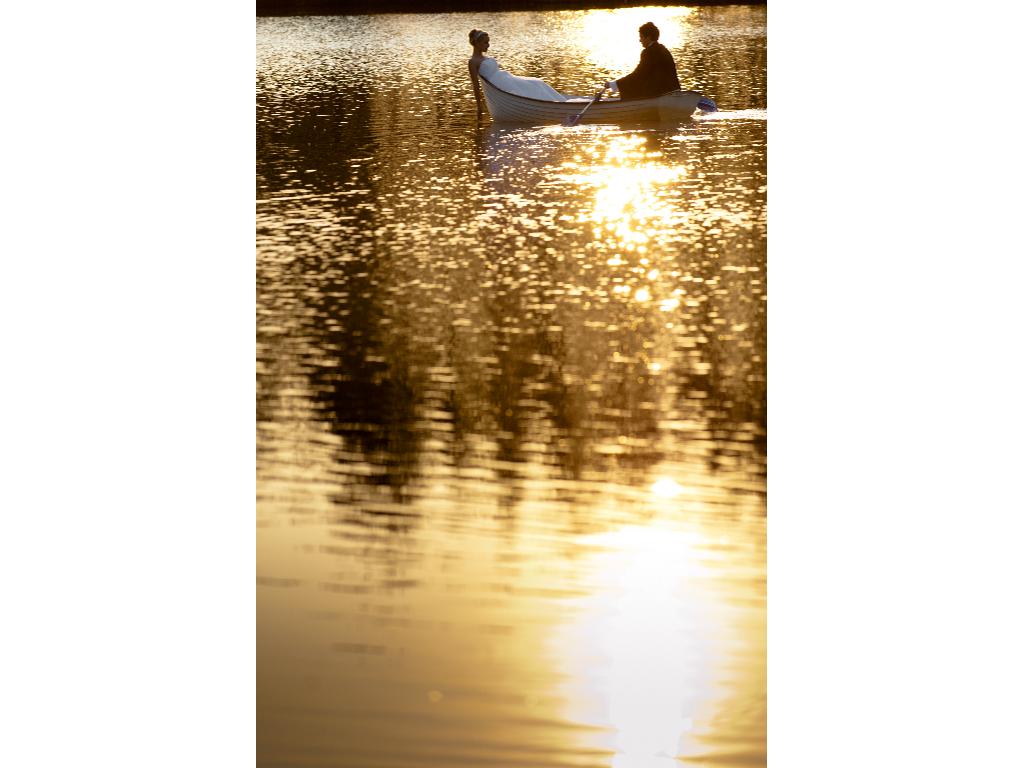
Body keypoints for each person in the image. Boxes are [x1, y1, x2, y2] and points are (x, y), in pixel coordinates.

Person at [468, 28, 568, 113]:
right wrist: (479, 105)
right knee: (533, 87)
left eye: (488, 42)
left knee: (537, 83)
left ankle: (561, 103)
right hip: (501, 85)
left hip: (507, 78)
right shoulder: (473, 62)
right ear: (477, 43)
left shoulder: (485, 57)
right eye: (485, 42)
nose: (488, 45)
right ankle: (553, 106)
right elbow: (475, 84)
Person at [605, 22, 681, 101]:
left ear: (648, 38)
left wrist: (614, 84)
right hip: (673, 90)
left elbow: (638, 75)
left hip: (659, 93)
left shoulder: (648, 52)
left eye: (641, 37)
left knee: (631, 87)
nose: (640, 40)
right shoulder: (664, 50)